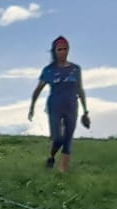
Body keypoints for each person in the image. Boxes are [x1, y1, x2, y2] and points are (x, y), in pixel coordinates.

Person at [28, 36, 90, 173]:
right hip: (54, 107)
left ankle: (61, 173)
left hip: (72, 107)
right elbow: (38, 90)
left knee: (68, 139)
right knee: (58, 138)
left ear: (69, 50)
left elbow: (80, 89)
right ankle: (51, 156)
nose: (62, 52)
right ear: (55, 51)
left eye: (65, 49)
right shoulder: (48, 70)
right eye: (59, 49)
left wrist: (86, 111)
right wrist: (32, 107)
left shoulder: (75, 69)